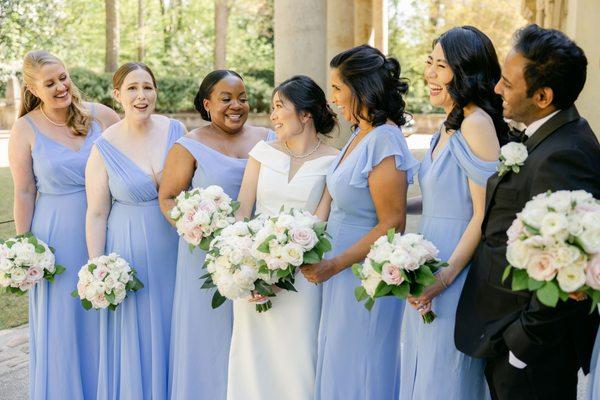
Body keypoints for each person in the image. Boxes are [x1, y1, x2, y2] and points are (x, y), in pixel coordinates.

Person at [455, 24, 600, 400]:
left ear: (542, 95)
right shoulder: (545, 137)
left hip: (532, 357)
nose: (496, 89)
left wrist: (520, 347)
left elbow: (571, 270)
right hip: (504, 334)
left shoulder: (565, 156)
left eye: (506, 82)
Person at [301, 44, 419, 400]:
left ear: (362, 88)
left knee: (361, 366)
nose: (332, 97)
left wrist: (335, 264)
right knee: (338, 359)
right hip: (339, 269)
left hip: (364, 274)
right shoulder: (360, 133)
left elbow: (393, 223)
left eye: (337, 88)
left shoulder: (383, 139)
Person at [400, 26, 506, 400]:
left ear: (465, 72)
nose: (430, 73)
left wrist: (444, 278)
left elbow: (484, 214)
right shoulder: (444, 127)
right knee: (420, 368)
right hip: (425, 262)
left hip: (456, 271)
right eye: (430, 62)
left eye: (441, 66)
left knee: (444, 378)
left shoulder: (477, 123)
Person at [8, 50, 119, 400]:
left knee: (107, 307)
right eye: (50, 83)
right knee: (63, 321)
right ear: (32, 88)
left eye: (64, 77)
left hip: (107, 226)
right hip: (54, 235)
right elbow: (25, 192)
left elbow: (137, 154)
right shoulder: (24, 129)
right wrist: (24, 249)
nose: (61, 87)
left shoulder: (102, 115)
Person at [158, 70, 274, 400]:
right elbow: (167, 198)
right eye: (226, 99)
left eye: (243, 98)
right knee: (208, 341)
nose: (236, 105)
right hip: (204, 259)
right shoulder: (188, 145)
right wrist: (194, 227)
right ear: (208, 104)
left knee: (254, 340)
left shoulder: (267, 138)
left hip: (258, 259)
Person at [226, 75, 338, 400]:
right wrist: (244, 267)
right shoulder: (261, 152)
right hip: (254, 272)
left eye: (279, 107)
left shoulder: (334, 160)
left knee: (299, 359)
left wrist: (282, 272)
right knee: (251, 358)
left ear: (305, 114)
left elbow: (320, 222)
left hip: (303, 277)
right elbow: (242, 211)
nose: (272, 116)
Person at [86, 62, 185, 400]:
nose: (141, 95)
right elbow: (97, 212)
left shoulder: (177, 130)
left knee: (178, 327)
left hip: (176, 249)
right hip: (129, 253)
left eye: (147, 87)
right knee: (137, 335)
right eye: (132, 88)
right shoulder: (104, 146)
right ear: (117, 95)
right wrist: (97, 267)